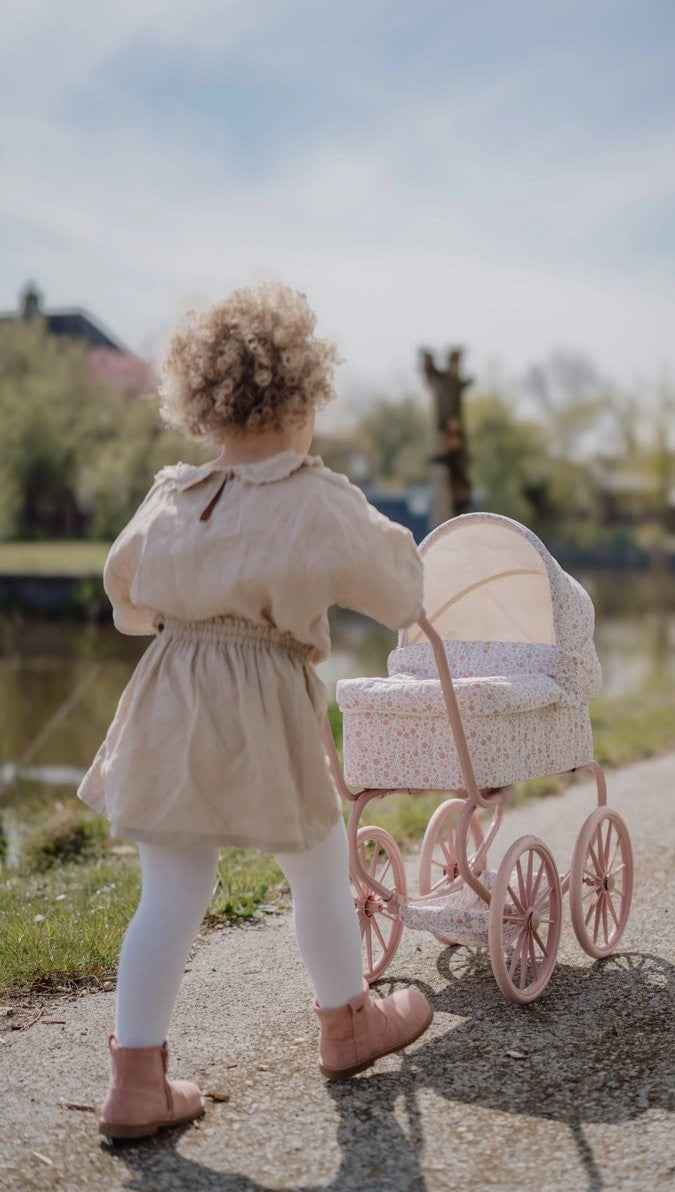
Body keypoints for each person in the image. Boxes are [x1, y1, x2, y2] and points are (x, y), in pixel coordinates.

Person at [78, 283, 433, 1140]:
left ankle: (135, 1082)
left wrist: (172, 620)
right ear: (305, 398)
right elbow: (398, 591)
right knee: (315, 862)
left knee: (168, 890)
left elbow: (122, 587)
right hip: (267, 696)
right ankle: (346, 1021)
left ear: (202, 407)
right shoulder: (314, 496)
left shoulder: (172, 492)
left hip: (170, 692)